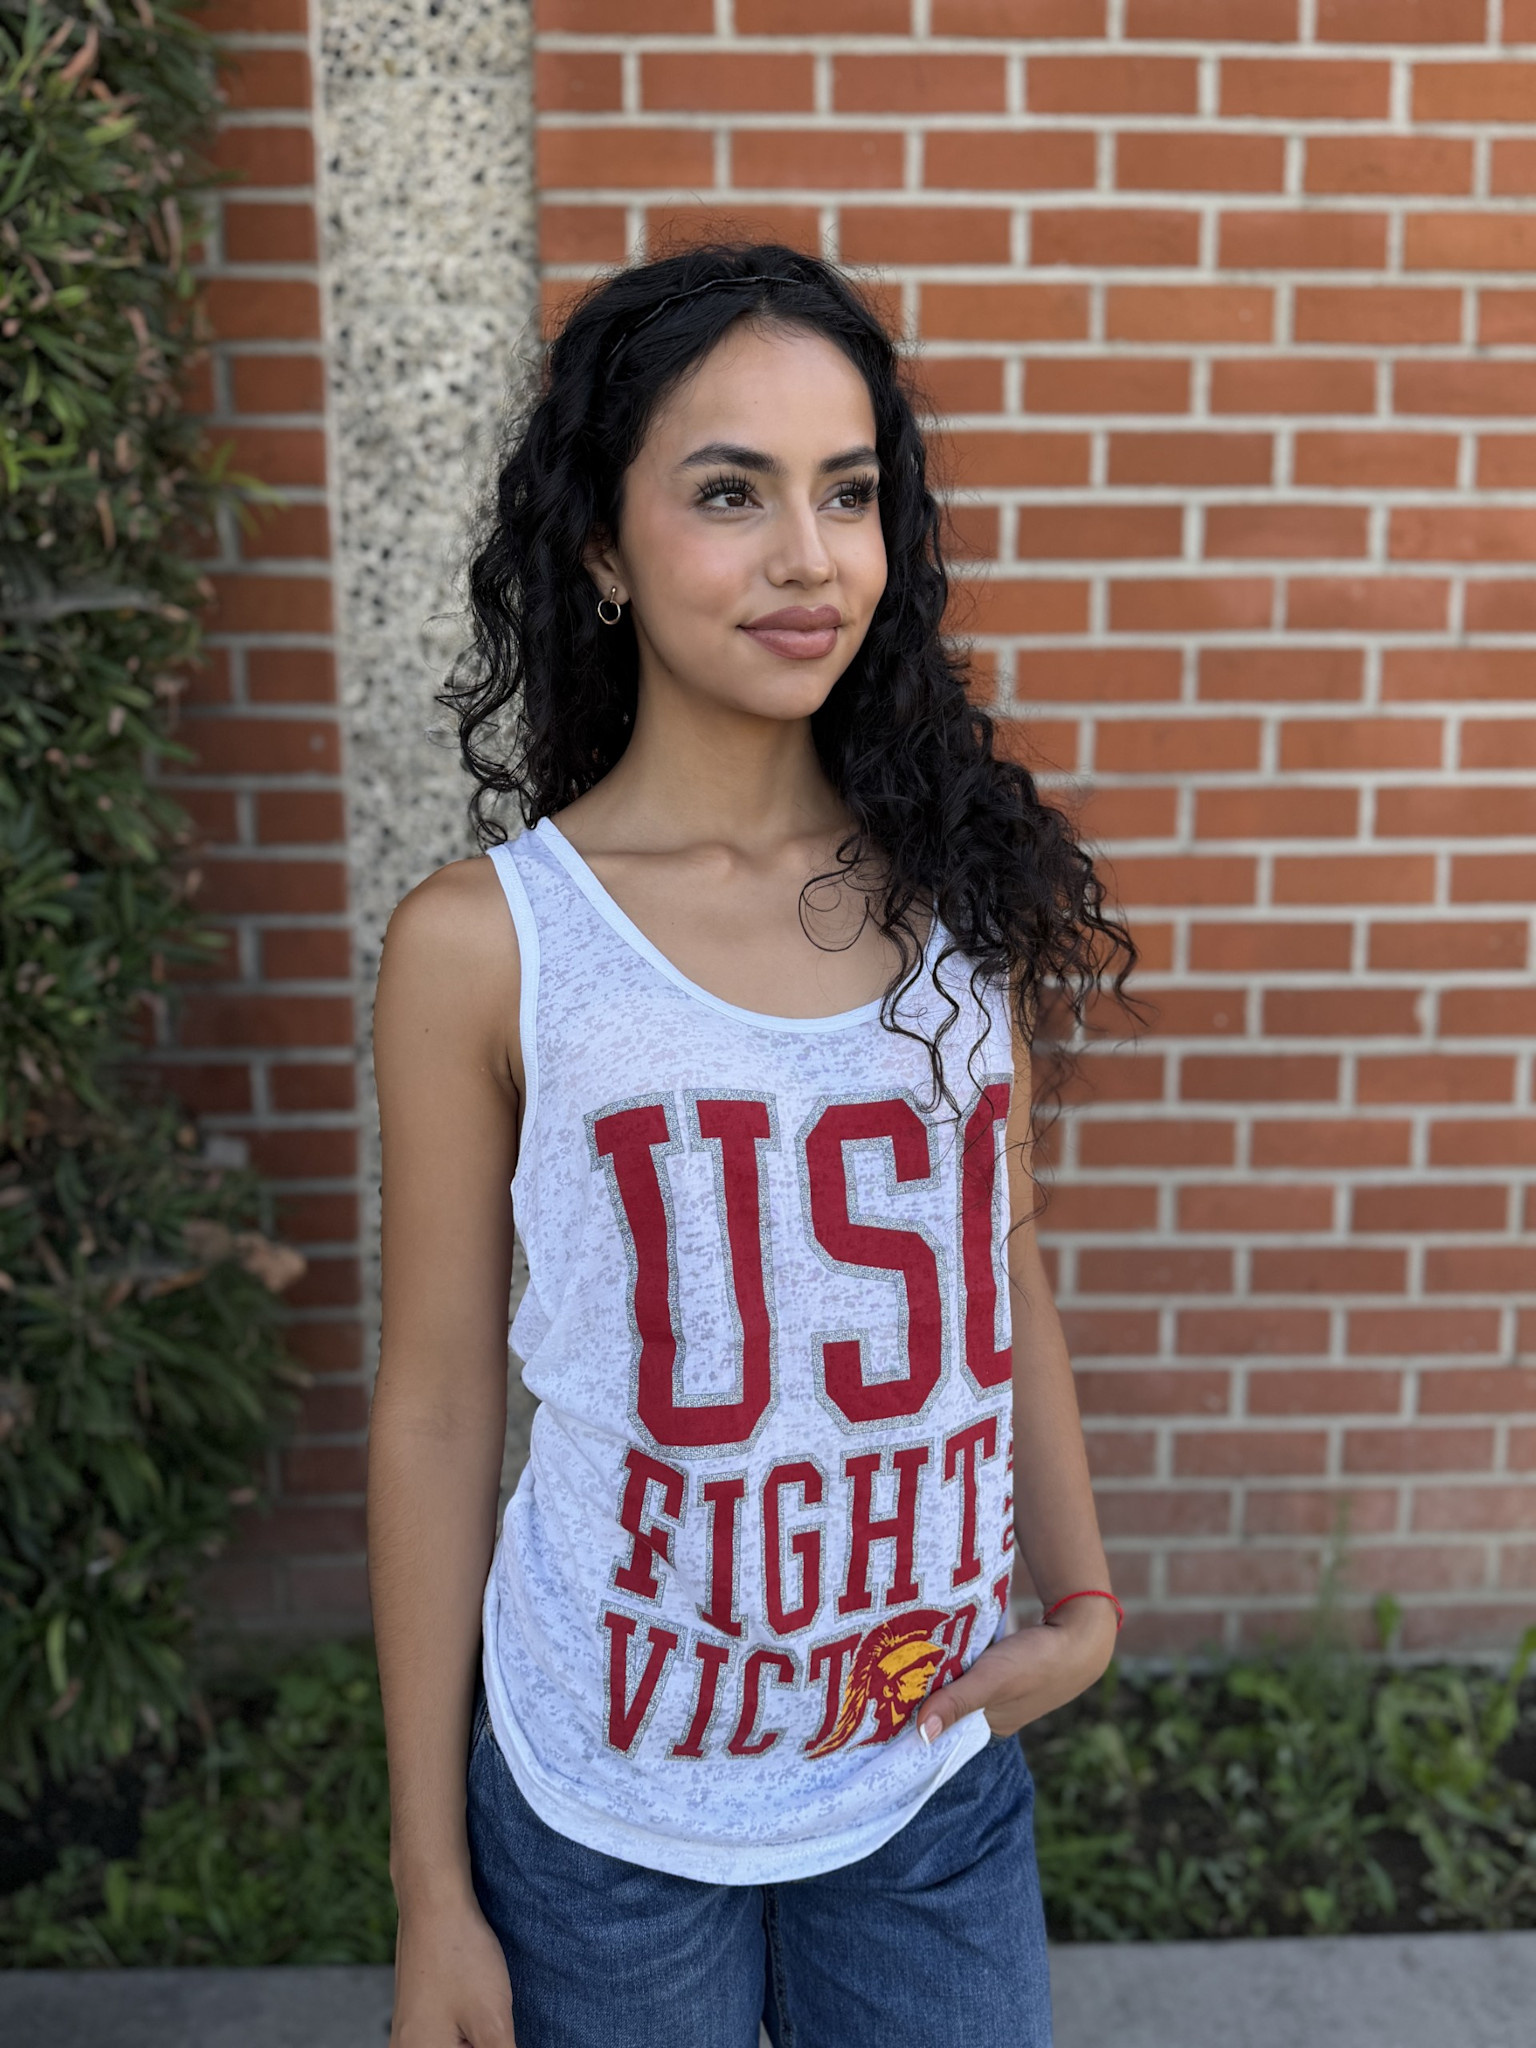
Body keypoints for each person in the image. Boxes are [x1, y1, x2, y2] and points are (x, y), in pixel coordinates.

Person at [367, 243, 1137, 2048]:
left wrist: (1087, 1600)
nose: (809, 556)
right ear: (602, 547)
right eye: (732, 493)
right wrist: (430, 1892)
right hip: (603, 1812)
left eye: (848, 493)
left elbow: (1000, 1270)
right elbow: (437, 1409)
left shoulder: (953, 896)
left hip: (925, 1772)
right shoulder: (493, 944)